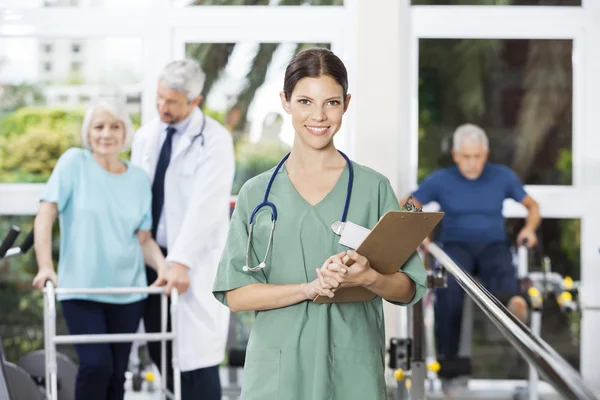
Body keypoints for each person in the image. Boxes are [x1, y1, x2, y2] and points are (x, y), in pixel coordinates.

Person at [212, 47, 427, 400]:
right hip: (277, 370)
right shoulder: (256, 193)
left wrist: (370, 277)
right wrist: (309, 288)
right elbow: (235, 294)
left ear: (347, 103)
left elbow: (408, 288)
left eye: (331, 102)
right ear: (285, 101)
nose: (319, 116)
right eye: (305, 102)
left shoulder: (372, 187)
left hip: (350, 366)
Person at [32, 100, 169, 400]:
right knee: (96, 366)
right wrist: (46, 266)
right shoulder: (73, 164)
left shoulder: (136, 179)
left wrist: (164, 268)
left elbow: (143, 239)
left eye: (115, 126)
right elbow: (45, 214)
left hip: (128, 292)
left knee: (117, 375)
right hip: (81, 289)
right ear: (88, 133)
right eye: (99, 126)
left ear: (125, 134)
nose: (106, 133)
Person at [401, 123, 541, 393]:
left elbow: (532, 206)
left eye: (477, 156)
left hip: (493, 245)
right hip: (455, 247)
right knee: (448, 297)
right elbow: (407, 204)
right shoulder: (441, 180)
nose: (472, 163)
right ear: (455, 155)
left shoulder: (502, 176)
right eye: (466, 157)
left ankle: (513, 306)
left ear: (485, 154)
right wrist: (417, 232)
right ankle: (451, 380)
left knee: (503, 273)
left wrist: (529, 229)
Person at [130, 59, 235, 399]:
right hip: (149, 259)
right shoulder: (146, 136)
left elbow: (206, 207)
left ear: (195, 101)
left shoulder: (216, 140)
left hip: (190, 264)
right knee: (161, 351)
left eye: (172, 102)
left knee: (195, 360)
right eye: (159, 97)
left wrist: (181, 263)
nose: (162, 107)